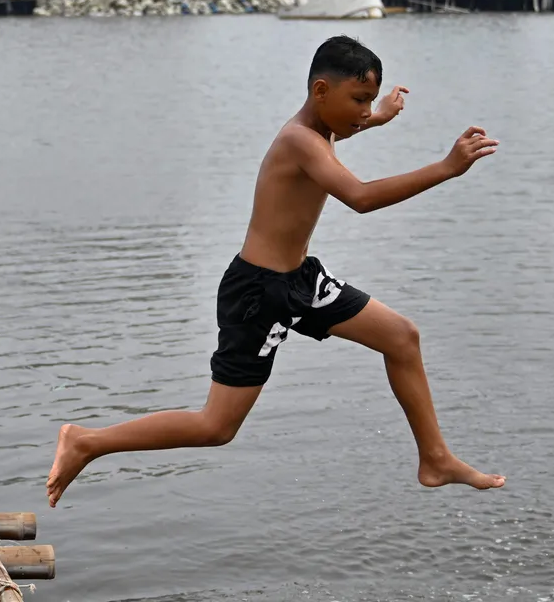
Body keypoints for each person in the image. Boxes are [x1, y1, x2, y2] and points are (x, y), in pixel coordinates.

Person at [46, 35, 504, 507]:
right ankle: (87, 441)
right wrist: (446, 167)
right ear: (321, 91)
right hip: (258, 294)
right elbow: (361, 197)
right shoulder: (299, 140)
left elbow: (343, 130)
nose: (364, 111)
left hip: (300, 281)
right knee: (216, 427)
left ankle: (435, 458)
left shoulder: (322, 127)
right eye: (359, 100)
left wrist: (377, 116)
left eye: (369, 101)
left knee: (401, 337)